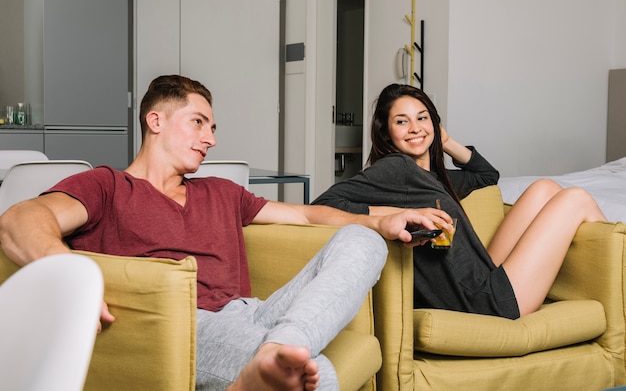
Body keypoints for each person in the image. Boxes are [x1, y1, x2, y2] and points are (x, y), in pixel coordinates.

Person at [0, 75, 441, 391]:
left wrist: (379, 221)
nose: (210, 138)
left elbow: (307, 217)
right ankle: (275, 359)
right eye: (198, 122)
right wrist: (70, 279)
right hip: (182, 323)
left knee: (363, 242)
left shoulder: (222, 192)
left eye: (213, 127)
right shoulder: (107, 186)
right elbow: (20, 220)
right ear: (155, 121)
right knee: (318, 375)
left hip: (253, 313)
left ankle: (278, 349)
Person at [313, 83, 606, 319]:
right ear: (386, 133)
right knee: (575, 198)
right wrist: (395, 212)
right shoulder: (396, 169)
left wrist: (446, 140)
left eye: (422, 118)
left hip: (481, 277)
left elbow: (487, 175)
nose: (415, 128)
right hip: (484, 301)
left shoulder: (434, 178)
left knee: (544, 188)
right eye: (402, 122)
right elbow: (323, 204)